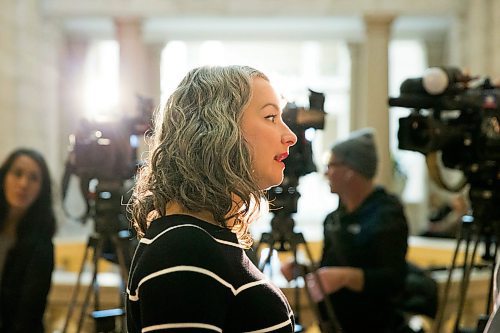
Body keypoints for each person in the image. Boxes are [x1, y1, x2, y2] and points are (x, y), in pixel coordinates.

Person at [126, 65, 298, 332]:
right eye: (271, 117)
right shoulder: (184, 247)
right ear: (219, 130)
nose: (290, 136)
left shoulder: (203, 239)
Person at [283, 128, 410, 332]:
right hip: (335, 325)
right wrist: (303, 269)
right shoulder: (334, 219)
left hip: (376, 326)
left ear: (350, 170)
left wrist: (346, 277)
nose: (325, 173)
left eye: (331, 165)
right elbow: (332, 266)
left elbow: (394, 281)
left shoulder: (386, 215)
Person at [0, 148, 57, 333]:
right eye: (17, 174)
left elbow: (30, 313)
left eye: (33, 178)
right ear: (4, 177)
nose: (23, 184)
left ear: (42, 188)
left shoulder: (42, 245)